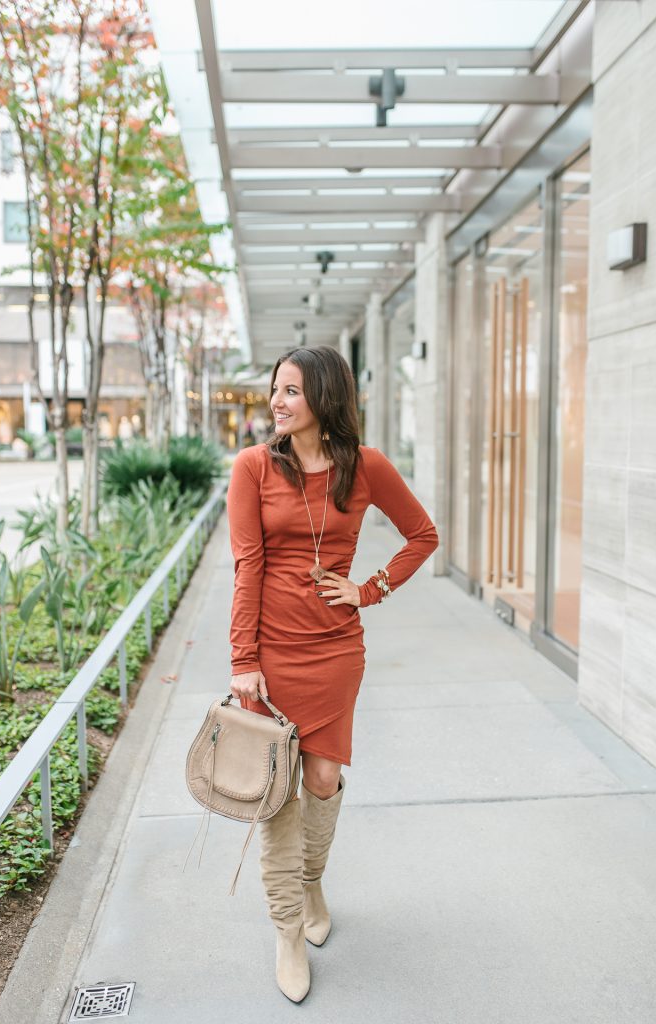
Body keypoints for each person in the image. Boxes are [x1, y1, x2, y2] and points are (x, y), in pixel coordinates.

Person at [226, 346, 438, 1003]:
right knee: (276, 792)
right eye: (275, 390)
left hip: (336, 651)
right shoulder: (253, 467)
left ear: (324, 397)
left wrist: (368, 589)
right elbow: (247, 566)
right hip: (272, 652)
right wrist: (243, 658)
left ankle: (312, 880)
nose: (277, 402)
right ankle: (288, 929)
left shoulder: (365, 466)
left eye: (291, 390)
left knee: (320, 777)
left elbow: (421, 535)